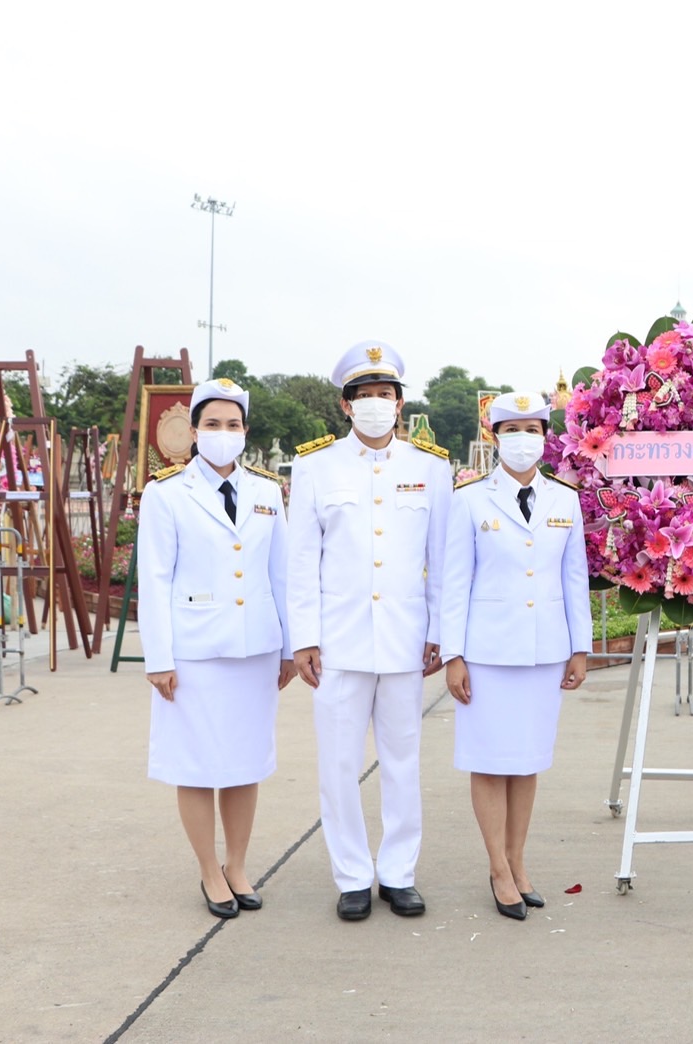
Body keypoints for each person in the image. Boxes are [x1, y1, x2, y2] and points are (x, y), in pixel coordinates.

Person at [287, 340, 452, 922]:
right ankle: (353, 875)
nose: (377, 403)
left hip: (407, 641)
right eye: (365, 395)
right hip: (338, 643)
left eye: (386, 394)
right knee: (338, 765)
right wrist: (303, 638)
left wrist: (440, 632)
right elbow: (302, 561)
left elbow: (442, 562)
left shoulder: (431, 468)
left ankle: (398, 872)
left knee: (402, 761)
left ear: (401, 404)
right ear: (345, 405)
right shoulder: (313, 467)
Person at [138, 377, 295, 919]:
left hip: (254, 650)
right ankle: (209, 870)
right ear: (194, 432)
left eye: (232, 425)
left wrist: (289, 649)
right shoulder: (165, 493)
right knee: (197, 764)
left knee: (245, 763)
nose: (222, 434)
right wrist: (158, 658)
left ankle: (238, 864)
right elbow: (153, 579)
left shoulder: (268, 491)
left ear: (245, 431)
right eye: (212, 424)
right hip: (194, 653)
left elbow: (282, 574)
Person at [441, 391, 592, 921]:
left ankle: (518, 860)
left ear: (545, 438)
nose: (523, 440)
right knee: (488, 761)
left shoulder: (564, 499)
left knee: (526, 762)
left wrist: (580, 646)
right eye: (513, 430)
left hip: (545, 650)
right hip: (485, 652)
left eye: (533, 430)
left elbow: (575, 578)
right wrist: (452, 655)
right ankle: (497, 868)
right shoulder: (469, 499)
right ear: (495, 436)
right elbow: (453, 583)